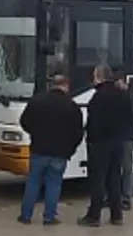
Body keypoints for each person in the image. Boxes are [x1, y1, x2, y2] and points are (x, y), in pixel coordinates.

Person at [17, 73, 84, 225]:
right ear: (66, 86)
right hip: (60, 153)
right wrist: (70, 150)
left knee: (33, 182)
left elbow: (24, 122)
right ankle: (49, 217)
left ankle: (26, 216)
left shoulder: (37, 101)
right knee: (54, 184)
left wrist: (35, 134)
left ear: (51, 85)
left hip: (39, 149)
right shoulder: (72, 107)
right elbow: (78, 133)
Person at [80, 64, 133, 227]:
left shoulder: (98, 97)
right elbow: (130, 119)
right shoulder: (123, 95)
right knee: (114, 178)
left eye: (94, 76)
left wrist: (89, 137)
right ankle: (117, 215)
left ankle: (94, 216)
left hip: (100, 143)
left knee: (98, 179)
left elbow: (93, 122)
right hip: (118, 142)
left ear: (99, 77)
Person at [113, 67, 133, 212]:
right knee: (116, 166)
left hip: (126, 136)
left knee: (126, 166)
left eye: (117, 82)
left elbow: (132, 116)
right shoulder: (124, 95)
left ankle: (126, 198)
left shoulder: (132, 97)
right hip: (119, 135)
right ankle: (115, 196)